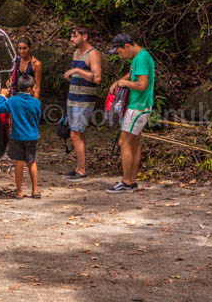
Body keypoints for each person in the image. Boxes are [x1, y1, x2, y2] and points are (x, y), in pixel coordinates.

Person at [106, 33, 155, 193]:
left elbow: (142, 84)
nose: (120, 55)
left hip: (138, 106)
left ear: (126, 46)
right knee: (133, 143)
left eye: (119, 51)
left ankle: (126, 182)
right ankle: (132, 181)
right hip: (139, 106)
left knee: (123, 142)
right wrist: (119, 80)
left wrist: (124, 83)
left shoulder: (141, 58)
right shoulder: (140, 57)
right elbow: (133, 73)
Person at [61, 25, 101, 182]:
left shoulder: (93, 54)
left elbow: (97, 78)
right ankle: (79, 167)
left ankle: (82, 170)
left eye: (75, 36)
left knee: (75, 134)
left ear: (85, 37)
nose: (71, 39)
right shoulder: (76, 53)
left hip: (84, 100)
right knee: (76, 133)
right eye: (71, 36)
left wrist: (77, 71)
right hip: (72, 98)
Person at [0, 74, 42, 199]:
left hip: (17, 136)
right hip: (32, 135)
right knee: (32, 162)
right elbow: (38, 117)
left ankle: (19, 192)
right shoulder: (36, 102)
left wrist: (2, 96)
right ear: (30, 89)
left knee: (19, 163)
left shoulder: (13, 101)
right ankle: (35, 190)